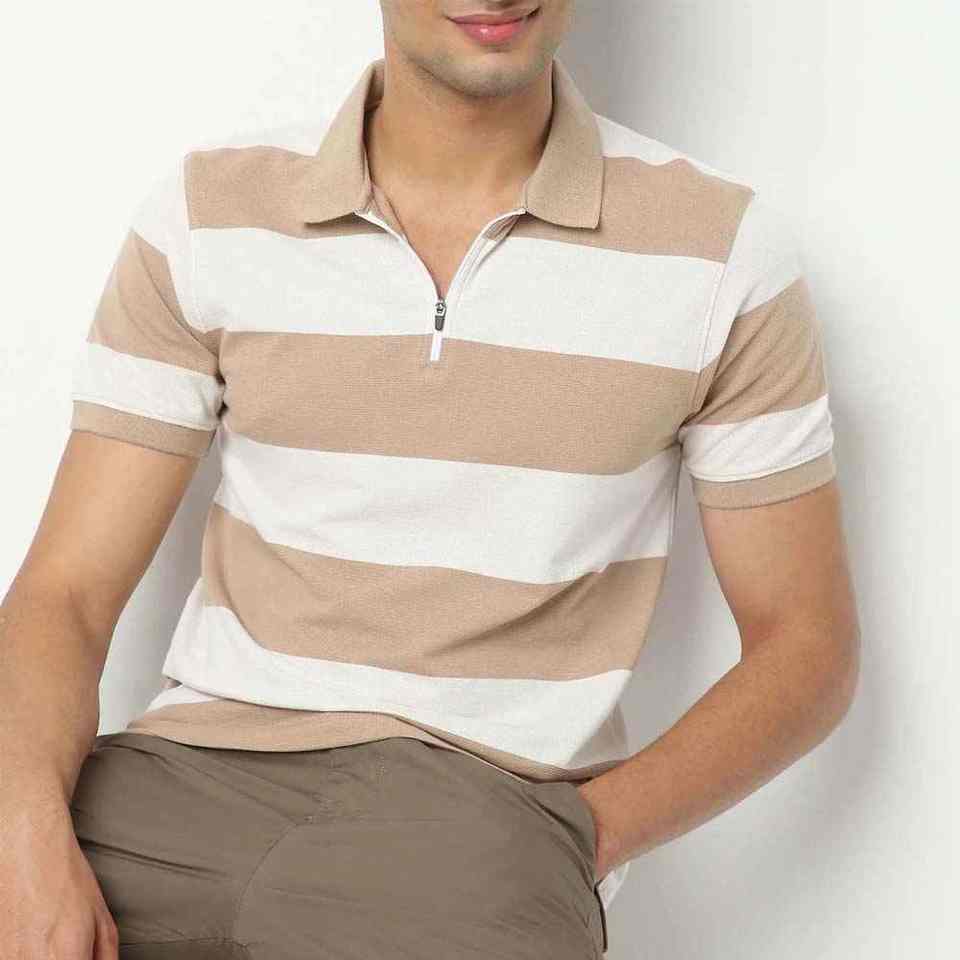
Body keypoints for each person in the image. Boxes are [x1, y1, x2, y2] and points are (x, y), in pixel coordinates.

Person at [1, 1, 861, 957]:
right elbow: (65, 594)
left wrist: (577, 835)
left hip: (473, 821)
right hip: (174, 785)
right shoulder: (209, 214)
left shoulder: (720, 252)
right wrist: (23, 838)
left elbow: (805, 644)